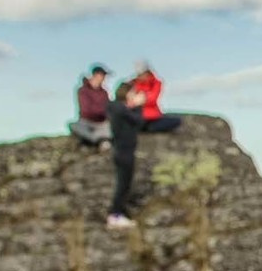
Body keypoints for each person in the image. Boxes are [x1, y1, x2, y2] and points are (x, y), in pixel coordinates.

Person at [106, 74, 143, 228]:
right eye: (133, 93)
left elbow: (138, 121)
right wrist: (138, 105)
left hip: (127, 151)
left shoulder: (122, 110)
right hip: (122, 152)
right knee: (122, 185)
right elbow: (135, 119)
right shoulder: (117, 108)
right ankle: (115, 215)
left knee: (126, 184)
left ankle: (119, 213)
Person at [123, 63, 184, 134]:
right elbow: (126, 99)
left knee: (176, 121)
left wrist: (141, 99)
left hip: (152, 116)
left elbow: (153, 98)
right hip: (138, 116)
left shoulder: (156, 83)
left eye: (143, 73)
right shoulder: (133, 83)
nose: (142, 76)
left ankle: (147, 128)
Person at [72, 65, 112, 146]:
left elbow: (108, 107)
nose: (104, 78)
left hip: (101, 123)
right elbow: (86, 109)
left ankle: (97, 140)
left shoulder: (104, 92)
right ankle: (96, 139)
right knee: (76, 126)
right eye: (102, 75)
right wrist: (103, 111)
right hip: (86, 121)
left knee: (110, 127)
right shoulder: (83, 91)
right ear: (96, 75)